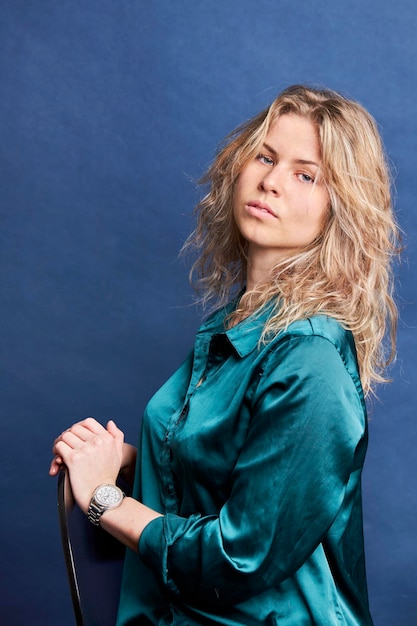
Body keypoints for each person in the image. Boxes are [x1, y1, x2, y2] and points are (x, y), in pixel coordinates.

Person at [49, 84, 400, 625]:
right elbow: (233, 475)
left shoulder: (311, 361)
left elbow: (240, 557)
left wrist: (104, 500)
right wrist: (120, 463)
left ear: (342, 209)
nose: (271, 181)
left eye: (306, 174)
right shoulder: (238, 323)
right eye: (265, 156)